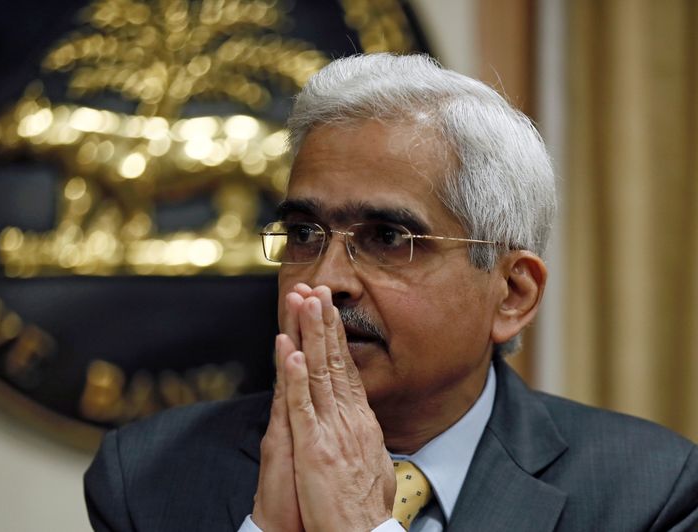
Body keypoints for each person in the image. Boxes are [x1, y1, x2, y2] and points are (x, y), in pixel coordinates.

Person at [84, 53, 698, 531]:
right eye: (303, 233)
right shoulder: (147, 478)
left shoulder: (649, 494)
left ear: (512, 294)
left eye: (387, 237)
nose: (325, 281)